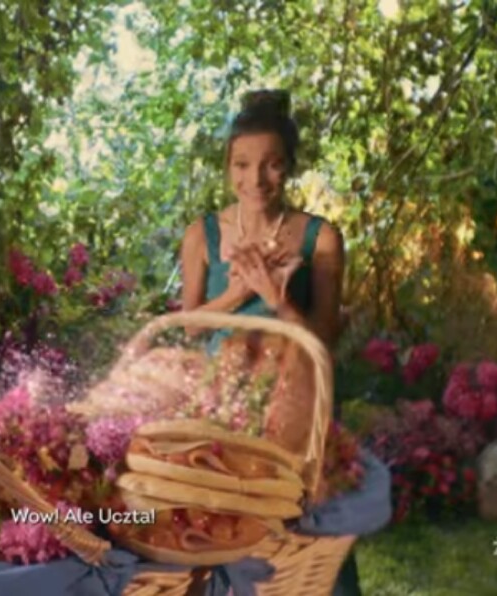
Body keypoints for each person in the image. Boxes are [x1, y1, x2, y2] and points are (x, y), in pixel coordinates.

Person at [178, 90, 361, 595]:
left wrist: (278, 298)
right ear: (228, 167)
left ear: (290, 166)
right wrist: (239, 292)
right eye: (242, 164)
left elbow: (322, 343)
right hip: (222, 404)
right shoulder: (202, 235)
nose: (255, 179)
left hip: (295, 406)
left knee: (307, 533)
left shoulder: (320, 238)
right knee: (220, 533)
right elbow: (190, 326)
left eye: (272, 164)